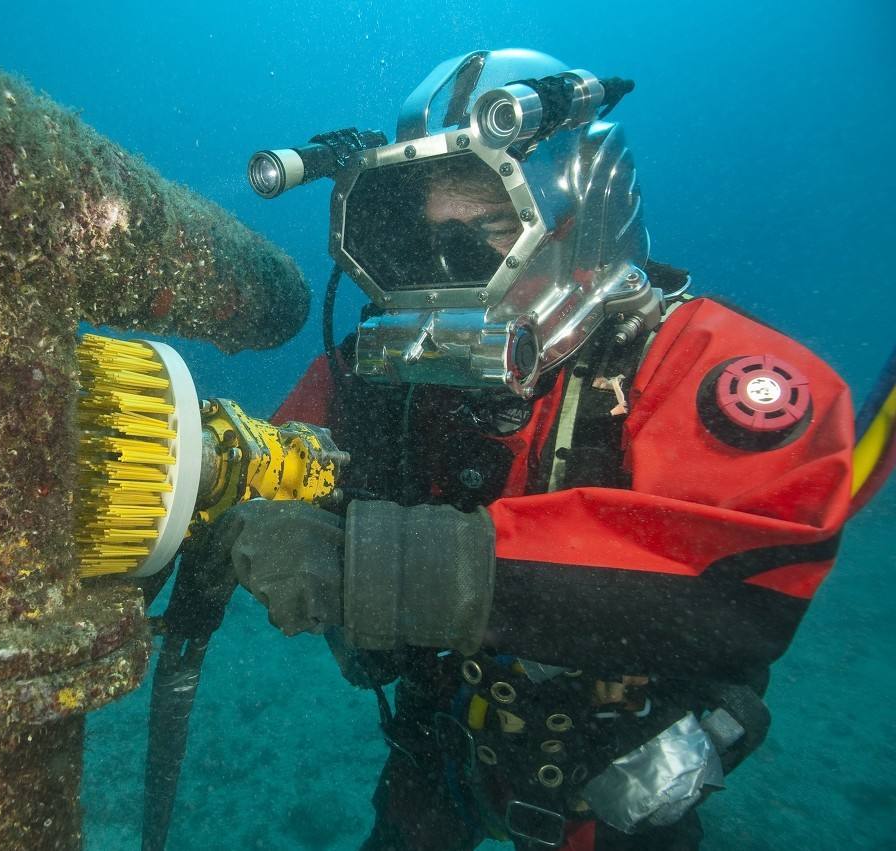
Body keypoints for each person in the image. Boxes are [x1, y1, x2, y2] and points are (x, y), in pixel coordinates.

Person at [205, 49, 856, 849]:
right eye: (425, 238)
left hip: (615, 768)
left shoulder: (714, 370)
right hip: (440, 733)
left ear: (581, 219)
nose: (449, 271)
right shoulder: (386, 373)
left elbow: (733, 583)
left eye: (484, 234)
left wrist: (367, 566)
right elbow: (260, 457)